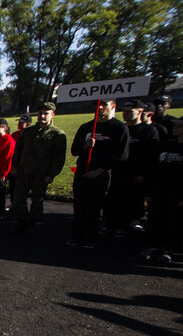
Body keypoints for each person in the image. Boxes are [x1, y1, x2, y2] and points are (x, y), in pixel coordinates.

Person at [68, 99, 129, 249]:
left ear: (112, 107)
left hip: (101, 174)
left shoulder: (119, 128)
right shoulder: (86, 127)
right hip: (83, 171)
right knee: (79, 205)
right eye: (97, 105)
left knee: (94, 206)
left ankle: (91, 236)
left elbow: (122, 155)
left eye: (104, 105)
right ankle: (77, 235)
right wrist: (85, 146)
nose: (100, 108)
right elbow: (74, 151)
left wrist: (100, 170)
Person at [101, 99, 159, 236]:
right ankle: (108, 223)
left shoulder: (148, 131)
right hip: (116, 170)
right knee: (112, 198)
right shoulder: (119, 128)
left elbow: (151, 155)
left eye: (129, 112)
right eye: (124, 112)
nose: (125, 114)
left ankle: (123, 225)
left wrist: (143, 173)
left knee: (128, 200)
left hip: (133, 174)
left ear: (139, 112)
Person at [11, 102, 67, 236]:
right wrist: (14, 166)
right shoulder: (28, 131)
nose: (42, 116)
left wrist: (52, 174)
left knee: (37, 200)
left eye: (46, 113)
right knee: (18, 198)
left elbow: (58, 158)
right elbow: (18, 149)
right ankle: (22, 221)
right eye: (40, 113)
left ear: (52, 115)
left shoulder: (58, 135)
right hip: (24, 171)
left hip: (41, 174)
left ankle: (32, 223)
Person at [142, 118, 183, 263]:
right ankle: (153, 246)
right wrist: (148, 190)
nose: (175, 127)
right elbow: (153, 169)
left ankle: (169, 248)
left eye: (179, 126)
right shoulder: (166, 146)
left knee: (174, 221)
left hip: (177, 193)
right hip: (159, 190)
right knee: (155, 219)